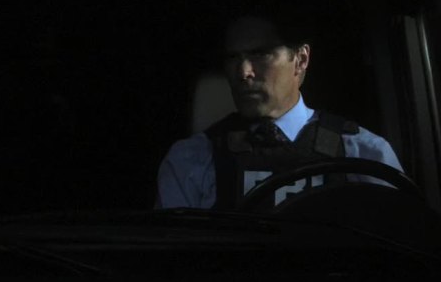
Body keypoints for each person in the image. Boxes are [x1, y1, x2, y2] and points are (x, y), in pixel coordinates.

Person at [156, 14, 404, 210]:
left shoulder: (363, 155)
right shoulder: (193, 160)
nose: (243, 72)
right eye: (233, 58)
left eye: (261, 54)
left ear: (301, 59)